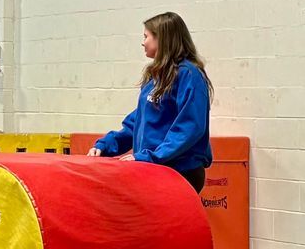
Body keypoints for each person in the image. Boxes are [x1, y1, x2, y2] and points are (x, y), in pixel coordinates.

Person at [88, 11, 213, 191]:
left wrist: (152, 156)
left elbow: (189, 127)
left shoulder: (188, 75)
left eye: (146, 36)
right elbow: (138, 123)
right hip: (154, 167)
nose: (143, 42)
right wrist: (106, 145)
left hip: (180, 170)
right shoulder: (155, 78)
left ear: (162, 39)